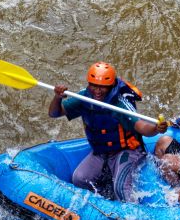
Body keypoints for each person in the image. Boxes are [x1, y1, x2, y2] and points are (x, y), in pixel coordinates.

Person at [49, 62, 168, 200]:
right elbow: (54, 113)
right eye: (94, 85)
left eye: (103, 87)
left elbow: (142, 127)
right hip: (101, 152)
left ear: (111, 86)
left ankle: (129, 215)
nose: (98, 91)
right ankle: (105, 202)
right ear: (89, 84)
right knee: (79, 179)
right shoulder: (83, 97)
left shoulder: (120, 103)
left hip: (127, 151)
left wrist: (156, 128)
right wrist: (57, 97)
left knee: (121, 187)